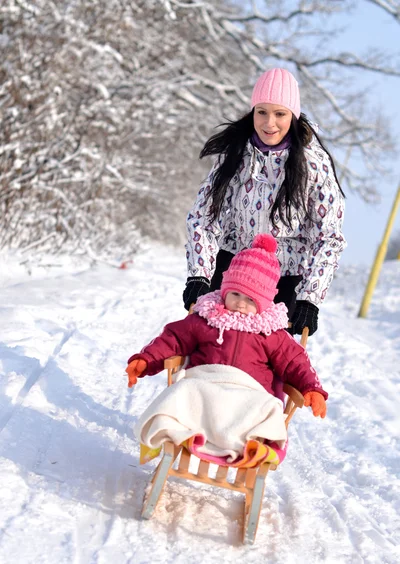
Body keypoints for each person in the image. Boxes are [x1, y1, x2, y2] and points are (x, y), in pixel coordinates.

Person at [182, 67, 346, 336]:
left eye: (279, 114)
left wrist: (310, 299)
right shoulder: (235, 154)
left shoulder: (314, 165)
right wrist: (199, 274)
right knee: (212, 346)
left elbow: (328, 237)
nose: (270, 123)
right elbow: (202, 216)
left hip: (285, 276)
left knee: (266, 358)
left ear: (292, 115)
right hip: (233, 268)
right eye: (262, 112)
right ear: (253, 112)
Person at [127, 234, 328, 424]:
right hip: (204, 387)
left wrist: (311, 389)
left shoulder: (271, 333)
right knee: (180, 393)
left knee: (268, 409)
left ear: (265, 302)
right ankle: (168, 430)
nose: (241, 304)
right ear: (224, 290)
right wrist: (147, 360)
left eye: (250, 299)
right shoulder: (208, 318)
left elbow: (295, 360)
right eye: (235, 294)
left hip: (248, 395)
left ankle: (260, 447)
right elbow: (174, 339)